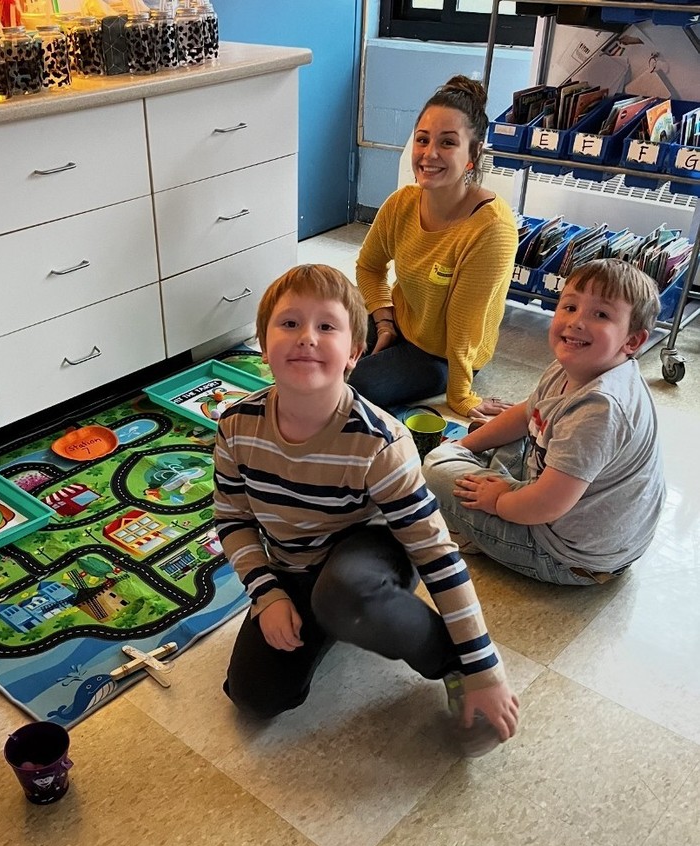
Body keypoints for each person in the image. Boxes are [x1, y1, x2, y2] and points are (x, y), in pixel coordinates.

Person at [213, 264, 519, 752]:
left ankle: (449, 661)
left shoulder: (380, 441)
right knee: (254, 697)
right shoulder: (236, 426)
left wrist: (483, 666)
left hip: (373, 554)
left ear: (355, 353)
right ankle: (330, 613)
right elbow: (233, 519)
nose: (307, 337)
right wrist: (267, 594)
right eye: (289, 323)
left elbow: (435, 553)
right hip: (294, 565)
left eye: (326, 326)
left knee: (346, 593)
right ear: (263, 345)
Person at [423, 259, 666, 585]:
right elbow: (529, 413)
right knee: (495, 433)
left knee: (434, 467)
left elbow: (548, 504)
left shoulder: (600, 409)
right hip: (581, 514)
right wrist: (464, 446)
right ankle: (490, 483)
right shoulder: (575, 362)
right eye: (570, 307)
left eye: (601, 315)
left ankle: (477, 529)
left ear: (632, 342)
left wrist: (498, 501)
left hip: (566, 556)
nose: (576, 322)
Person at [348, 75, 518, 421]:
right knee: (328, 342)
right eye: (422, 140)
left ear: (473, 154)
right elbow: (369, 266)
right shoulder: (403, 202)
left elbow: (464, 325)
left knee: (358, 384)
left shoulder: (492, 228)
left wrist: (461, 396)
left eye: (448, 143)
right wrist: (384, 321)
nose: (430, 154)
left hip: (442, 354)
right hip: (400, 321)